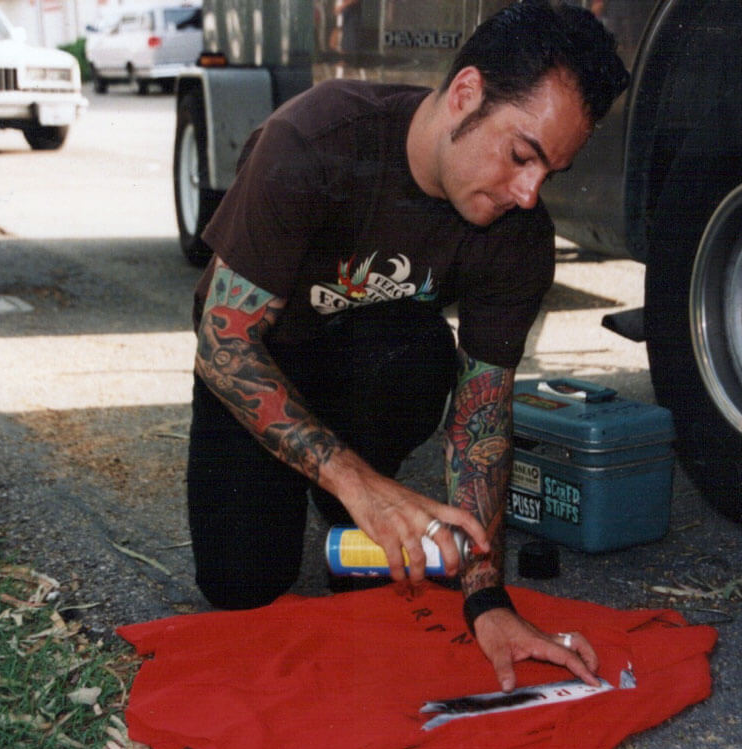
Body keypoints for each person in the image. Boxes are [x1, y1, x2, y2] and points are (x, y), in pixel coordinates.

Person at [186, 0, 629, 692]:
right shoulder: (316, 139)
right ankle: (351, 490)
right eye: (521, 155)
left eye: (552, 174)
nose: (529, 192)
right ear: (465, 95)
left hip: (371, 362)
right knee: (240, 589)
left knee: (420, 354)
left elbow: (482, 415)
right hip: (265, 361)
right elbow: (223, 344)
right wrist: (351, 476)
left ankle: (351, 504)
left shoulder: (519, 232)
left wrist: (486, 598)